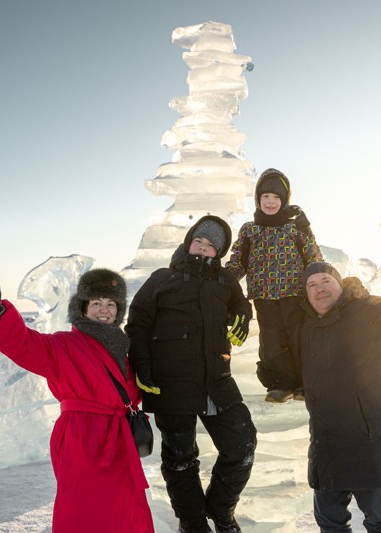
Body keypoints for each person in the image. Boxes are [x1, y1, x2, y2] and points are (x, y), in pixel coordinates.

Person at [0, 268, 154, 533]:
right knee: (85, 511)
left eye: (111, 304)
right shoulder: (64, 345)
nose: (104, 309)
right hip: (82, 440)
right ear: (83, 307)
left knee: (123, 511)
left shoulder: (125, 348)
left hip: (119, 439)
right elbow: (25, 345)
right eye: (96, 302)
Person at [126, 215, 257, 533]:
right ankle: (193, 521)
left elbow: (240, 304)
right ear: (188, 242)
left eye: (211, 245)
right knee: (180, 458)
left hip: (217, 380)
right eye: (199, 241)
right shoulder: (162, 278)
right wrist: (141, 366)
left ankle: (220, 509)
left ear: (219, 252)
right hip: (171, 384)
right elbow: (138, 323)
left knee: (243, 445)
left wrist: (243, 313)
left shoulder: (226, 281)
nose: (203, 248)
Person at [298, 219, 381, 533]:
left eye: (325, 280)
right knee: (329, 525)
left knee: (379, 523)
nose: (319, 289)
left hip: (369, 444)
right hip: (326, 447)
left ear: (340, 283)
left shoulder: (368, 312)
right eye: (311, 285)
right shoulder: (306, 329)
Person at [225, 167, 323, 403]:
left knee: (298, 337)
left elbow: (313, 257)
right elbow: (238, 260)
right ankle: (281, 384)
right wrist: (225, 279)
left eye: (276, 197)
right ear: (258, 200)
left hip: (294, 294)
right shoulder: (250, 229)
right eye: (265, 197)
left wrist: (320, 282)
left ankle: (303, 383)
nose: (270, 202)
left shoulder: (295, 227)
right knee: (272, 341)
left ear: (285, 200)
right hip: (263, 296)